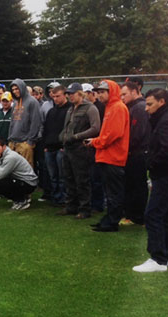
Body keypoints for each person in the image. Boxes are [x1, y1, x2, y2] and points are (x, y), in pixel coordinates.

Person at [133, 88, 168, 272]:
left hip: (165, 175)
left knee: (154, 214)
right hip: (166, 175)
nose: (146, 108)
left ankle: (158, 259)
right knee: (167, 214)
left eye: (150, 104)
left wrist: (152, 165)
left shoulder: (166, 120)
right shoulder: (166, 118)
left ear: (162, 102)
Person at [86, 80, 130, 232]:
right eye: (98, 92)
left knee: (113, 193)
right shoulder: (110, 108)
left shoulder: (117, 107)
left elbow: (113, 134)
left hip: (114, 157)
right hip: (107, 156)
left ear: (111, 92)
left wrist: (95, 142)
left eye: (102, 92)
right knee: (110, 192)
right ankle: (109, 219)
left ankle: (112, 222)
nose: (99, 95)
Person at [59, 82, 101, 219]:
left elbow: (96, 128)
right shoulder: (71, 109)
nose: (70, 96)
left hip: (81, 149)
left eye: (72, 93)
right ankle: (71, 206)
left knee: (82, 179)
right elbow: (67, 127)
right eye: (69, 94)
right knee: (69, 178)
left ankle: (85, 209)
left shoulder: (90, 108)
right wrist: (63, 136)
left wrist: (77, 136)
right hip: (68, 148)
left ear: (80, 93)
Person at [119, 81, 151, 225]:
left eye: (124, 94)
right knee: (133, 184)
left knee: (137, 185)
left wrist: (127, 147)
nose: (122, 98)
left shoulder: (139, 107)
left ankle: (137, 217)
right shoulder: (132, 107)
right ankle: (132, 214)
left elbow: (137, 133)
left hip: (137, 153)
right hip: (135, 151)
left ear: (135, 91)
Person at [42, 84, 71, 206]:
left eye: (58, 96)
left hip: (61, 148)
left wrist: (65, 145)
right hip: (49, 147)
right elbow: (46, 128)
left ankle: (64, 198)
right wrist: (45, 145)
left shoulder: (70, 110)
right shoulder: (51, 111)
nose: (55, 99)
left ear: (65, 95)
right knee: (53, 175)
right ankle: (55, 197)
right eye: (53, 97)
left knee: (62, 176)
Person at [0, 139, 39, 210]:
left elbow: (0, 175)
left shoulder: (10, 157)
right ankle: (22, 197)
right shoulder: (4, 154)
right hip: (22, 180)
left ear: (4, 147)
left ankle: (21, 201)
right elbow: (2, 172)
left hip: (29, 183)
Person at [7, 78, 43, 167]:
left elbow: (36, 122)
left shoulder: (32, 102)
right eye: (13, 90)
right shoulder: (15, 102)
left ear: (22, 88)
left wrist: (30, 142)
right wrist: (10, 138)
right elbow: (12, 122)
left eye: (17, 89)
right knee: (14, 171)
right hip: (13, 142)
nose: (15, 91)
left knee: (26, 170)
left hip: (25, 143)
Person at [84, 82, 106, 212]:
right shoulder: (85, 107)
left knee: (97, 176)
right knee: (90, 176)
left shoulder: (100, 107)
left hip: (97, 144)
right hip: (89, 144)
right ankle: (93, 201)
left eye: (84, 93)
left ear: (91, 93)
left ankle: (98, 204)